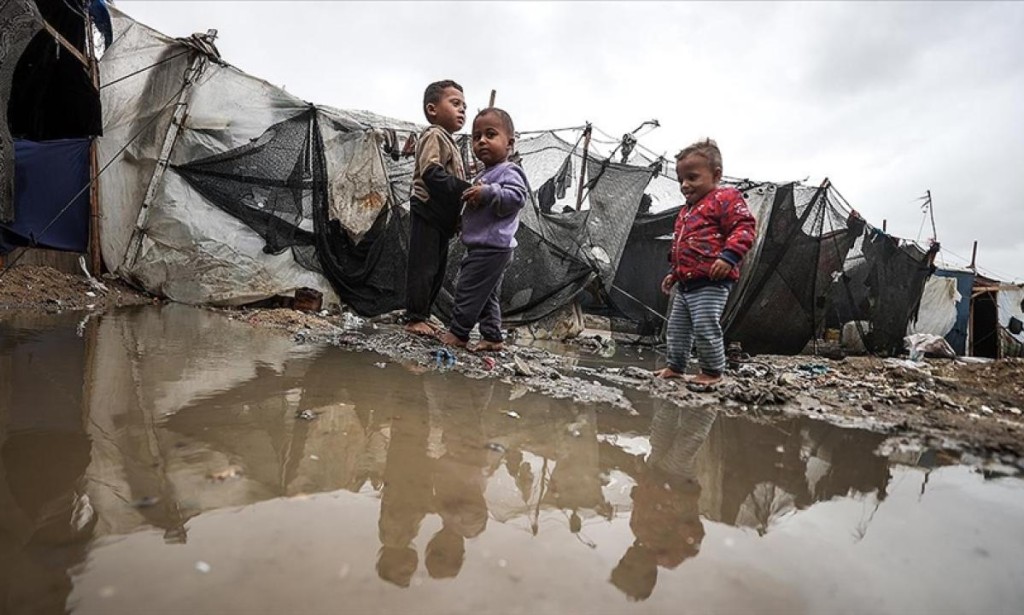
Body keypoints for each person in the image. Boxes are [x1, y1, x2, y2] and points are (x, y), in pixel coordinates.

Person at [655, 138, 755, 386]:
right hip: (686, 284)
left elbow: (744, 227)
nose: (685, 185)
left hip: (712, 281)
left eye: (692, 177)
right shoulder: (686, 211)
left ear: (716, 174)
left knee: (704, 325)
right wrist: (674, 273)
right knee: (676, 329)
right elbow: (681, 247)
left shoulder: (726, 198)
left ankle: (712, 372)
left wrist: (729, 257)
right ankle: (675, 367)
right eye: (681, 180)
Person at [438, 108, 528, 351]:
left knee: (467, 288)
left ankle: (459, 333)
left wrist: (488, 192)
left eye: (490, 134)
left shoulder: (509, 170)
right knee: (487, 295)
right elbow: (479, 209)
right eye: (477, 137)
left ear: (509, 143)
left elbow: (518, 198)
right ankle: (492, 336)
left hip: (492, 247)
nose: (482, 141)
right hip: (485, 246)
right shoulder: (483, 173)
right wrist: (463, 220)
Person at [403, 80, 472, 336]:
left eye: (465, 107)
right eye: (455, 104)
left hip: (443, 218)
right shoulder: (434, 135)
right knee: (423, 266)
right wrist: (465, 187)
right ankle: (414, 317)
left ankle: (425, 314)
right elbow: (432, 173)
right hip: (427, 209)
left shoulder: (452, 143)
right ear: (433, 110)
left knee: (438, 269)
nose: (462, 111)